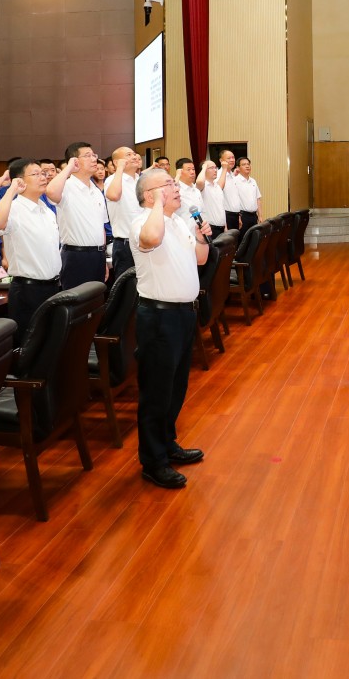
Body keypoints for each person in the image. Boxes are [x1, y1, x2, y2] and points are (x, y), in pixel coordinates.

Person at [130, 168, 212, 489]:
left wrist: (202, 236)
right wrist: (156, 205)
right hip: (158, 318)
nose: (176, 187)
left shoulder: (178, 221)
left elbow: (201, 259)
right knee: (156, 392)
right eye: (167, 184)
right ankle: (153, 461)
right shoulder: (143, 223)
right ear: (149, 195)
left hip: (183, 315)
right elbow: (151, 239)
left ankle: (167, 443)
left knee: (176, 387)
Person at [0, 158, 63, 347]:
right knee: (29, 346)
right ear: (20, 180)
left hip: (53, 287)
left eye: (43, 173)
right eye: (36, 174)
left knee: (50, 344)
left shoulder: (46, 211)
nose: (43, 177)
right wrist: (11, 190)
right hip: (28, 290)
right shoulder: (14, 209)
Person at [55, 142, 108, 287]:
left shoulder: (96, 191)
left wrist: (102, 257)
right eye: (87, 155)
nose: (94, 159)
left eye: (94, 155)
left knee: (97, 298)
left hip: (98, 255)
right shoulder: (66, 186)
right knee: (76, 299)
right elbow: (51, 192)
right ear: (74, 161)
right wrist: (68, 168)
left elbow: (101, 227)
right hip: (76, 256)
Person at [105, 146, 144, 280]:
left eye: (134, 154)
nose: (134, 157)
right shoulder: (113, 180)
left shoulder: (141, 180)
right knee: (127, 287)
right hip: (125, 244)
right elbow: (114, 195)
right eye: (128, 155)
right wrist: (120, 169)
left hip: (145, 242)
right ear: (116, 162)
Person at [198, 159, 227, 241]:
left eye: (215, 167)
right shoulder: (202, 186)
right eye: (211, 168)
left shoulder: (217, 186)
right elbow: (199, 181)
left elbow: (221, 208)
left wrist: (225, 226)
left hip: (221, 228)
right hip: (210, 229)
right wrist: (204, 167)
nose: (215, 170)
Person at [231, 156, 263, 232]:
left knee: (254, 237)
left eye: (248, 164)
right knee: (243, 238)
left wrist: (260, 216)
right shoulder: (235, 181)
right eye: (244, 164)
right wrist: (238, 217)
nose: (247, 166)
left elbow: (258, 199)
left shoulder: (253, 181)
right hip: (242, 216)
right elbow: (233, 201)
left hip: (254, 216)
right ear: (238, 168)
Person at [174, 158, 204, 227]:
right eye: (188, 169)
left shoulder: (196, 191)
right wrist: (177, 176)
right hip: (183, 231)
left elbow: (203, 211)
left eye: (193, 169)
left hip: (200, 231)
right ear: (180, 172)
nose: (192, 172)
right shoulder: (176, 190)